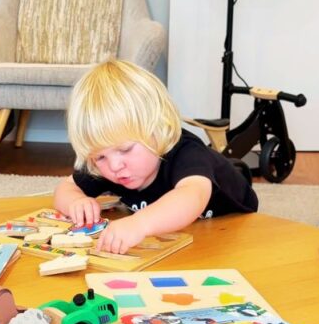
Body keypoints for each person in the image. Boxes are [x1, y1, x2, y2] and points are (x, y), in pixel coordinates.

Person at [52, 59, 258, 254]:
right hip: (185, 232)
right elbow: (66, 188)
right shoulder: (110, 164)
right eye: (99, 157)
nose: (114, 165)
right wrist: (76, 202)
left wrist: (139, 223)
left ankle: (235, 168)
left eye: (125, 150)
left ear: (157, 130)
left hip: (232, 222)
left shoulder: (186, 153)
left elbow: (192, 196)